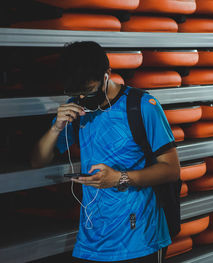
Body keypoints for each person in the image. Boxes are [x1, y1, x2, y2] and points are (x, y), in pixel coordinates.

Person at [30, 41, 180, 263]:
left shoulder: (143, 105)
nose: (82, 99)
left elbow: (171, 169)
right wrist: (56, 127)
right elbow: (37, 161)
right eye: (77, 93)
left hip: (140, 237)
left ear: (107, 74)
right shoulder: (76, 108)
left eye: (88, 91)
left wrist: (119, 178)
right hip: (93, 239)